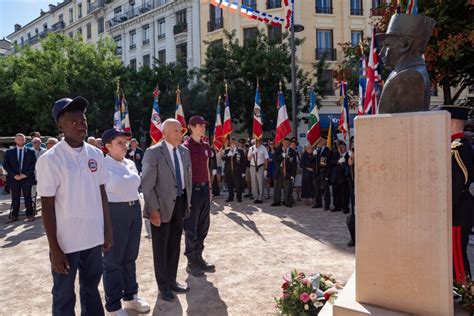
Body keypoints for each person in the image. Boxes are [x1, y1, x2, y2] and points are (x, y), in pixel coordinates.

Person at [36, 96, 113, 315]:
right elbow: (47, 207)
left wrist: (107, 230)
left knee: (91, 289)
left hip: (93, 238)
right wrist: (55, 248)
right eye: (74, 121)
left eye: (84, 119)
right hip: (66, 243)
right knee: (63, 294)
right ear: (60, 125)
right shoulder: (50, 160)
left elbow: (102, 194)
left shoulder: (96, 154)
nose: (81, 124)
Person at [141, 119, 193, 302]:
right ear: (165, 133)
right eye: (177, 131)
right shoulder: (153, 152)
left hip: (179, 204)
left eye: (181, 131)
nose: (181, 134)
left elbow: (188, 177)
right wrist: (153, 209)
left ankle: (171, 281)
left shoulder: (184, 151)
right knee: (160, 248)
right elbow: (147, 185)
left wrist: (188, 200)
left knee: (174, 245)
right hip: (161, 207)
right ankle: (163, 287)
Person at [101, 129, 150, 315]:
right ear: (107, 146)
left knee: (130, 256)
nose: (125, 146)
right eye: (119, 143)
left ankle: (131, 296)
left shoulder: (129, 163)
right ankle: (113, 306)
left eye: (125, 142)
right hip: (114, 212)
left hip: (133, 209)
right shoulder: (103, 166)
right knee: (113, 260)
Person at [439, 103, 474, 283]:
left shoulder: (457, 148)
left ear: (450, 122)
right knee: (455, 252)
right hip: (459, 208)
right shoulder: (456, 145)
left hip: (458, 210)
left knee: (457, 254)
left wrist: (445, 210)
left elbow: (459, 183)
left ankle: (463, 288)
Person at [183, 116, 216, 276]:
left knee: (203, 226)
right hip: (192, 192)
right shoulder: (185, 147)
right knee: (191, 228)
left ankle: (199, 257)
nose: (203, 127)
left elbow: (207, 167)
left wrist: (209, 188)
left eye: (204, 125)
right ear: (191, 127)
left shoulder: (205, 145)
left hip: (204, 190)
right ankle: (191, 261)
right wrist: (186, 196)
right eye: (200, 125)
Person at [4, 133, 37, 223]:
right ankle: (15, 215)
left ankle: (30, 214)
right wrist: (14, 175)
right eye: (19, 139)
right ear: (15, 140)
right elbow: (6, 165)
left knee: (28, 197)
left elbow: (33, 165)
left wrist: (24, 175)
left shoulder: (31, 151)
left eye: (22, 139)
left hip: (27, 178)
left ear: (25, 140)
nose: (21, 141)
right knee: (15, 197)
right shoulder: (9, 152)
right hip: (14, 178)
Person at [272, 138, 297, 207]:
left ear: (289, 144)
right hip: (278, 171)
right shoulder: (278, 150)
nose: (286, 144)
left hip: (288, 172)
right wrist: (281, 156)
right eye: (285, 142)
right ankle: (276, 201)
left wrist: (293, 175)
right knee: (277, 187)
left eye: (288, 143)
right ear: (282, 143)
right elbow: (274, 159)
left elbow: (294, 165)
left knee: (288, 188)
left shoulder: (292, 152)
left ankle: (287, 202)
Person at [222, 138, 246, 202]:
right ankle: (230, 197)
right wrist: (228, 155)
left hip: (237, 171)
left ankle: (239, 197)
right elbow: (223, 158)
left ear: (236, 143)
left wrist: (243, 172)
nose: (233, 144)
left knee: (238, 185)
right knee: (229, 185)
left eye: (234, 143)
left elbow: (243, 162)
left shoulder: (240, 151)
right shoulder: (227, 150)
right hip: (228, 171)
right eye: (232, 143)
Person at [330, 142, 350, 213]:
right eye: (340, 147)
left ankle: (345, 207)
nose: (341, 149)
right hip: (335, 177)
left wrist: (345, 162)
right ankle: (337, 206)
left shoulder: (348, 155)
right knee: (335, 193)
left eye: (343, 147)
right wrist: (337, 161)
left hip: (343, 178)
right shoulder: (336, 155)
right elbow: (331, 162)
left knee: (344, 194)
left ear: (346, 147)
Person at [247, 138, 269, 204]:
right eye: (256, 141)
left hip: (260, 166)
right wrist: (253, 153)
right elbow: (248, 158)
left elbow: (266, 159)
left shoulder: (263, 148)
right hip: (253, 166)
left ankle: (260, 198)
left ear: (261, 141)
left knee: (261, 182)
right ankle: (255, 197)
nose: (258, 142)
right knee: (253, 182)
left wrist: (265, 169)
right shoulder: (251, 148)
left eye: (259, 141)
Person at [313, 137, 331, 210]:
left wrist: (327, 175)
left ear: (325, 142)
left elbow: (328, 164)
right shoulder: (317, 150)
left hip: (324, 172)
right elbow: (313, 162)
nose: (319, 142)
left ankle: (327, 205)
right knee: (317, 189)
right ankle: (318, 203)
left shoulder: (327, 151)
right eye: (319, 141)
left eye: (321, 141)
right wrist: (314, 155)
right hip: (317, 172)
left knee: (326, 190)